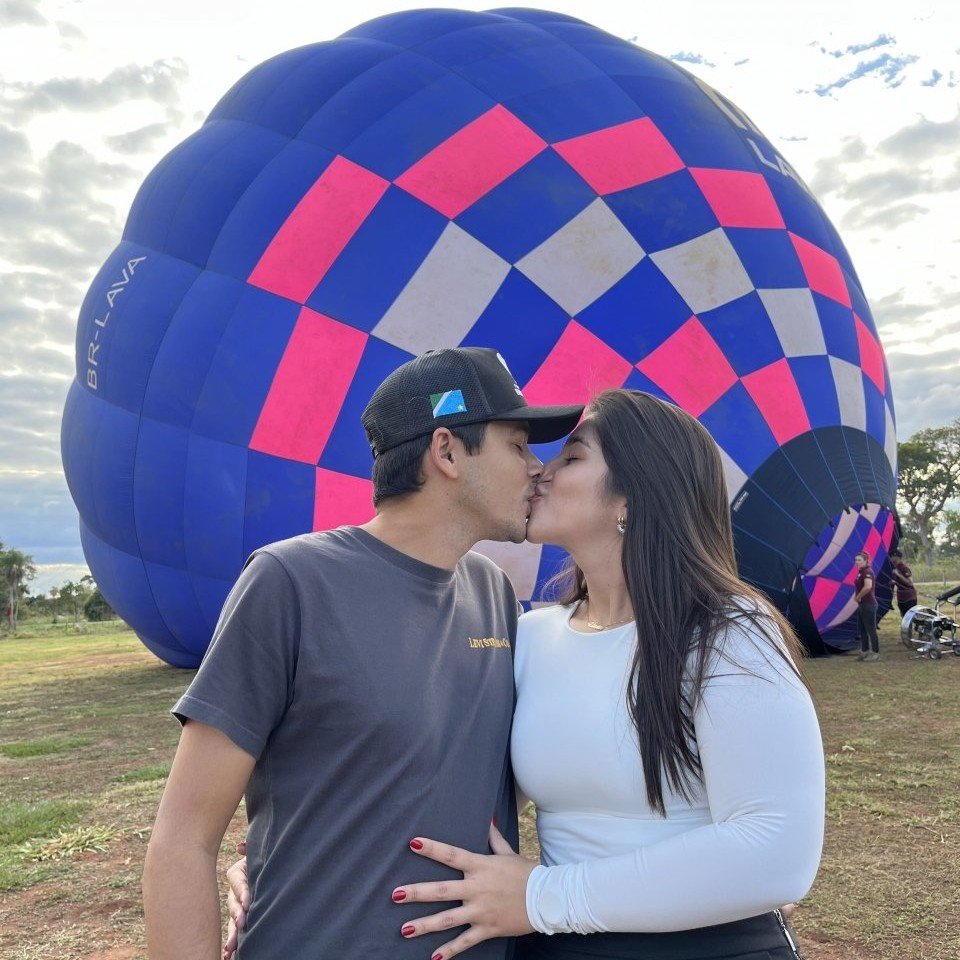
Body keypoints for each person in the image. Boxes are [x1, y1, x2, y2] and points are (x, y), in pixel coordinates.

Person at [227, 389, 825, 960]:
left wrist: (543, 896)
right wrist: (287, 858)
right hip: (559, 948)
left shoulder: (727, 632)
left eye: (571, 458)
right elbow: (440, 778)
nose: (540, 471)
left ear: (631, 496)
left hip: (703, 946)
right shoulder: (533, 636)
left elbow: (776, 851)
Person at [141, 346, 583, 960]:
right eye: (517, 446)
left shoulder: (492, 592)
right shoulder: (289, 582)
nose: (536, 468)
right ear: (447, 452)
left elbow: (478, 768)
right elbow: (183, 840)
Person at [854, 550, 880, 662]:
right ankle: (864, 651)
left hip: (868, 604)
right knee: (862, 629)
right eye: (856, 560)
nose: (857, 562)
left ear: (865, 561)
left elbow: (868, 586)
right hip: (863, 605)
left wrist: (858, 596)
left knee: (871, 629)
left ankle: (875, 652)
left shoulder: (867, 572)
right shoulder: (861, 572)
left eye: (859, 560)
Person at [888, 548, 918, 617]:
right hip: (901, 597)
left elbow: (910, 583)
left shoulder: (903, 568)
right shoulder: (895, 567)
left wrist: (898, 574)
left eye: (892, 556)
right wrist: (894, 582)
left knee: (910, 617)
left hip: (909, 597)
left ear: (897, 557)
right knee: (904, 617)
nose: (890, 558)